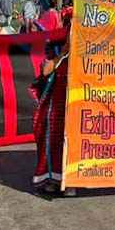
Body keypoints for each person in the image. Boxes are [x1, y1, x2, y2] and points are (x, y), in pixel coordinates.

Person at [31, 40, 70, 195]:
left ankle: (70, 182)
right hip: (55, 109)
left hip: (78, 106)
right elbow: (45, 71)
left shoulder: (90, 50)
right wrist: (63, 53)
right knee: (53, 143)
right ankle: (52, 180)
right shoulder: (56, 48)